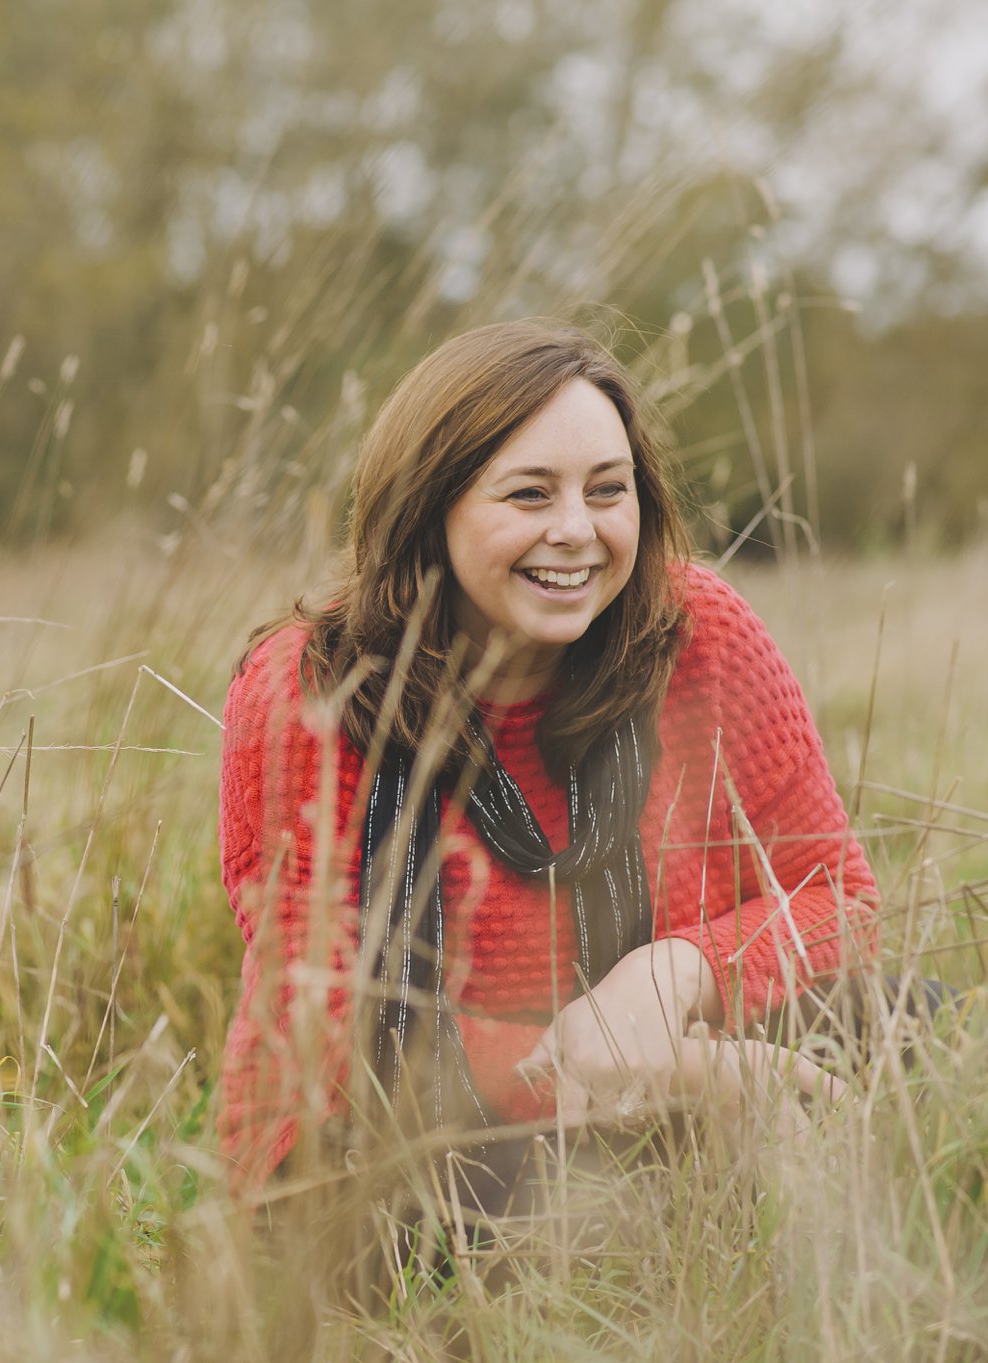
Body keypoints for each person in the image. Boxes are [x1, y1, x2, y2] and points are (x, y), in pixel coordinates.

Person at [216, 320, 887, 1222]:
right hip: (387, 1132)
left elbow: (834, 894)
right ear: (430, 507)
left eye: (607, 491)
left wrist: (677, 972)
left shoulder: (698, 633)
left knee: (916, 1029)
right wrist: (692, 1071)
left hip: (652, 1061)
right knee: (574, 1223)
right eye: (529, 495)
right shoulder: (315, 686)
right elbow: (335, 1023)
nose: (576, 531)